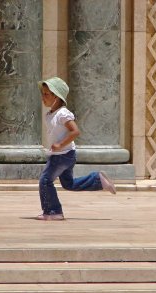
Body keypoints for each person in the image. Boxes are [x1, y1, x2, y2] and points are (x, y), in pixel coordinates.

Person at [36, 77, 116, 221]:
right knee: (69, 184)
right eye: (43, 94)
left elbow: (75, 131)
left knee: (45, 180)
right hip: (65, 155)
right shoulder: (50, 115)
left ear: (56, 96)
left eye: (46, 94)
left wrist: (60, 145)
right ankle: (98, 180)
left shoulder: (63, 114)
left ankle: (53, 212)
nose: (43, 97)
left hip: (62, 155)